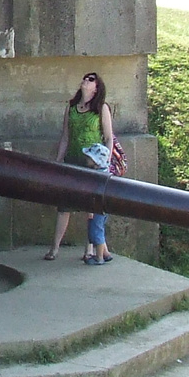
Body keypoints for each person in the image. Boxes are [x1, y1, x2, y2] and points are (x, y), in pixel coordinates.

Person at [45, 71, 114, 264]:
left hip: (92, 163)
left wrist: (105, 162)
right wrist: (58, 160)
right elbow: (65, 136)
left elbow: (109, 138)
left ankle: (89, 249)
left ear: (97, 87)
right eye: (85, 78)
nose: (85, 80)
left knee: (90, 208)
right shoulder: (72, 107)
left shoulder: (101, 108)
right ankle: (55, 247)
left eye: (91, 79)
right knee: (64, 205)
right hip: (72, 160)